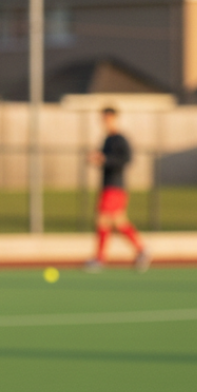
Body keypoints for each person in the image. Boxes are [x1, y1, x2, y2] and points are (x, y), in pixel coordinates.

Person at [84, 106, 151, 273]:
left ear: (114, 118)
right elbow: (103, 159)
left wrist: (105, 159)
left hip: (115, 186)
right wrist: (96, 158)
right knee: (119, 222)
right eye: (102, 119)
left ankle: (100, 259)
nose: (104, 122)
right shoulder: (107, 139)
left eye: (107, 118)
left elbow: (126, 159)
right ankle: (141, 250)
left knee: (103, 219)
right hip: (107, 184)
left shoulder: (120, 139)